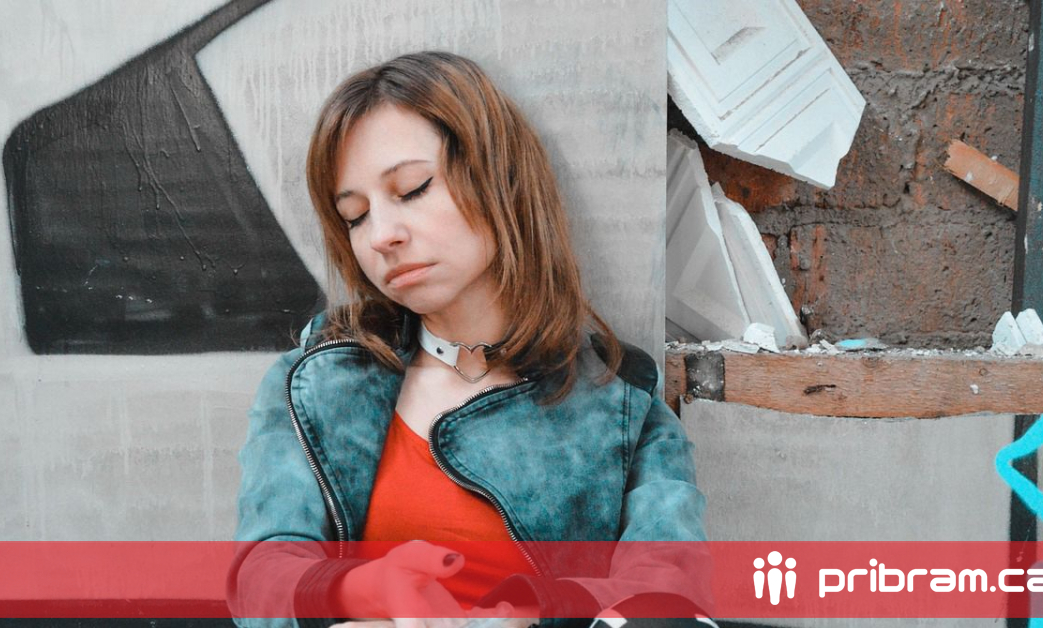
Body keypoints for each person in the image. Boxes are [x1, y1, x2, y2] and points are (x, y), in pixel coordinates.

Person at [229, 51, 710, 628]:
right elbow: (259, 582)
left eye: (412, 189)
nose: (381, 235)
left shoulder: (621, 402)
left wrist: (526, 613)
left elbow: (667, 600)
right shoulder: (316, 380)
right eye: (355, 215)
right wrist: (358, 590)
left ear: (499, 176)